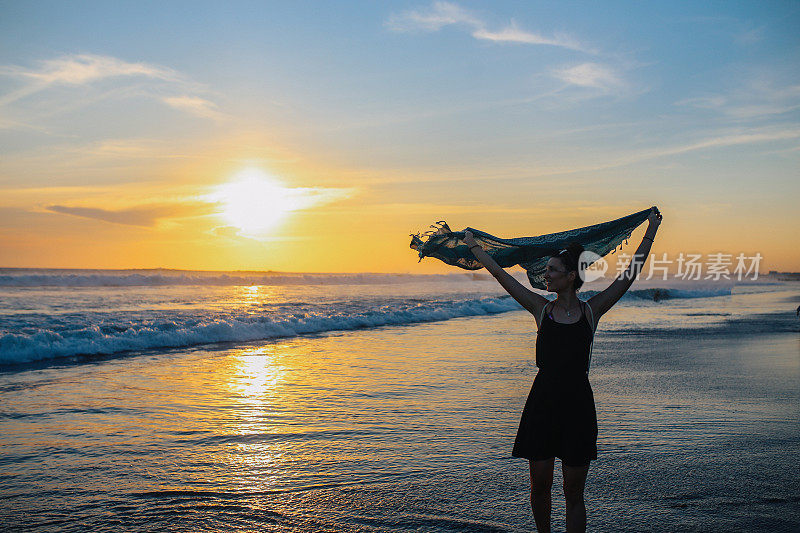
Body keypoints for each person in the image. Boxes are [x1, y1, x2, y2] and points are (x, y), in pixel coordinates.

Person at [463, 206, 662, 533]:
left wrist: (650, 231)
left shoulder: (590, 312)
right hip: (542, 403)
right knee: (540, 485)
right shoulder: (541, 309)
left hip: (578, 406)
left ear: (571, 276)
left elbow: (629, 275)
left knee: (574, 492)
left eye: (553, 270)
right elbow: (501, 275)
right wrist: (474, 246)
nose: (546, 275)